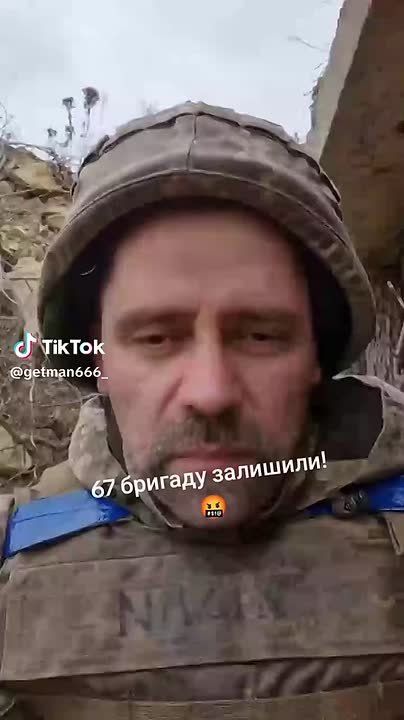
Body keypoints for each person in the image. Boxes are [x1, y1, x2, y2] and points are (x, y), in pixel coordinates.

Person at [1, 100, 404, 719]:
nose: (211, 392)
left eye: (260, 335)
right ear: (98, 361)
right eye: (156, 338)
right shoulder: (14, 552)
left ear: (316, 357)